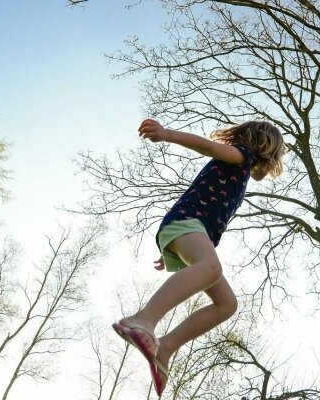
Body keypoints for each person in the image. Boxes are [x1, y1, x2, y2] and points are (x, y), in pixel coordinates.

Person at [112, 118, 286, 396]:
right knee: (210, 268)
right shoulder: (241, 155)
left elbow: (258, 175)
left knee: (227, 304)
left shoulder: (242, 168)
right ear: (265, 148)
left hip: (189, 230)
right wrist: (167, 134)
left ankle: (165, 348)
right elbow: (206, 146)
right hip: (188, 223)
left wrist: (173, 249)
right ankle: (143, 319)